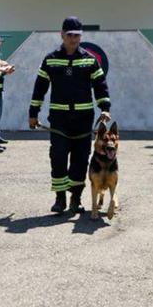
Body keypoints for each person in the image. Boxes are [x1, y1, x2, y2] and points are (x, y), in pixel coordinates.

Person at [29, 16, 111, 213]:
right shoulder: (50, 59)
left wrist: (105, 107)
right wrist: (33, 113)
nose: (74, 39)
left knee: (81, 158)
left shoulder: (89, 60)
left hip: (83, 119)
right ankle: (60, 198)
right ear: (62, 35)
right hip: (59, 119)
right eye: (70, 35)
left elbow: (100, 86)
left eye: (77, 35)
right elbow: (40, 88)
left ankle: (76, 198)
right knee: (57, 156)